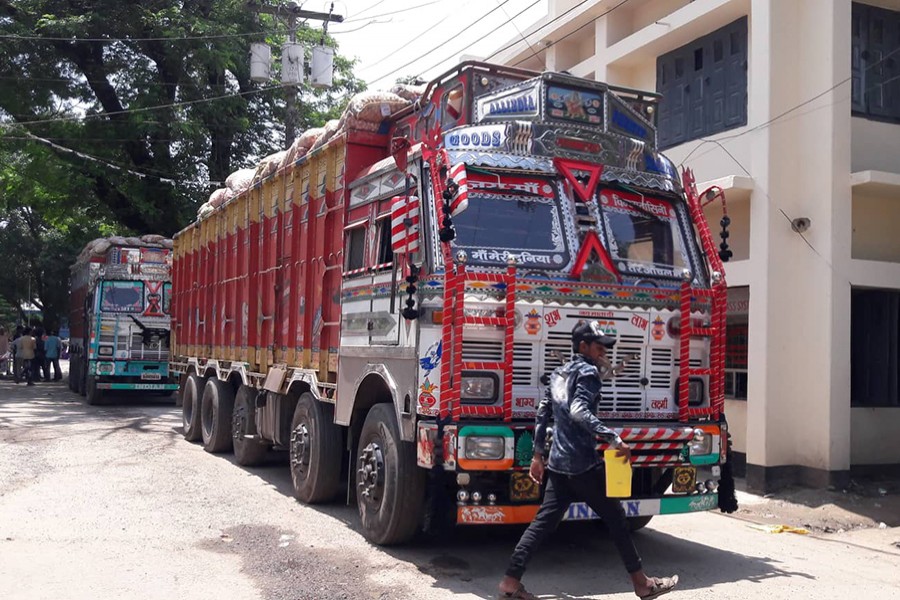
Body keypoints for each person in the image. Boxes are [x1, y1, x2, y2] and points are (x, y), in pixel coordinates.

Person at [498, 320, 678, 600]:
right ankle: (642, 584)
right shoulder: (588, 372)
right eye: (598, 347)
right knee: (616, 519)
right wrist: (614, 439)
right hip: (582, 465)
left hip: (557, 464)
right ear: (583, 346)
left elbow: (543, 413)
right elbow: (579, 410)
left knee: (542, 524)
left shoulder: (558, 373)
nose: (603, 353)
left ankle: (510, 582)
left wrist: (537, 455)